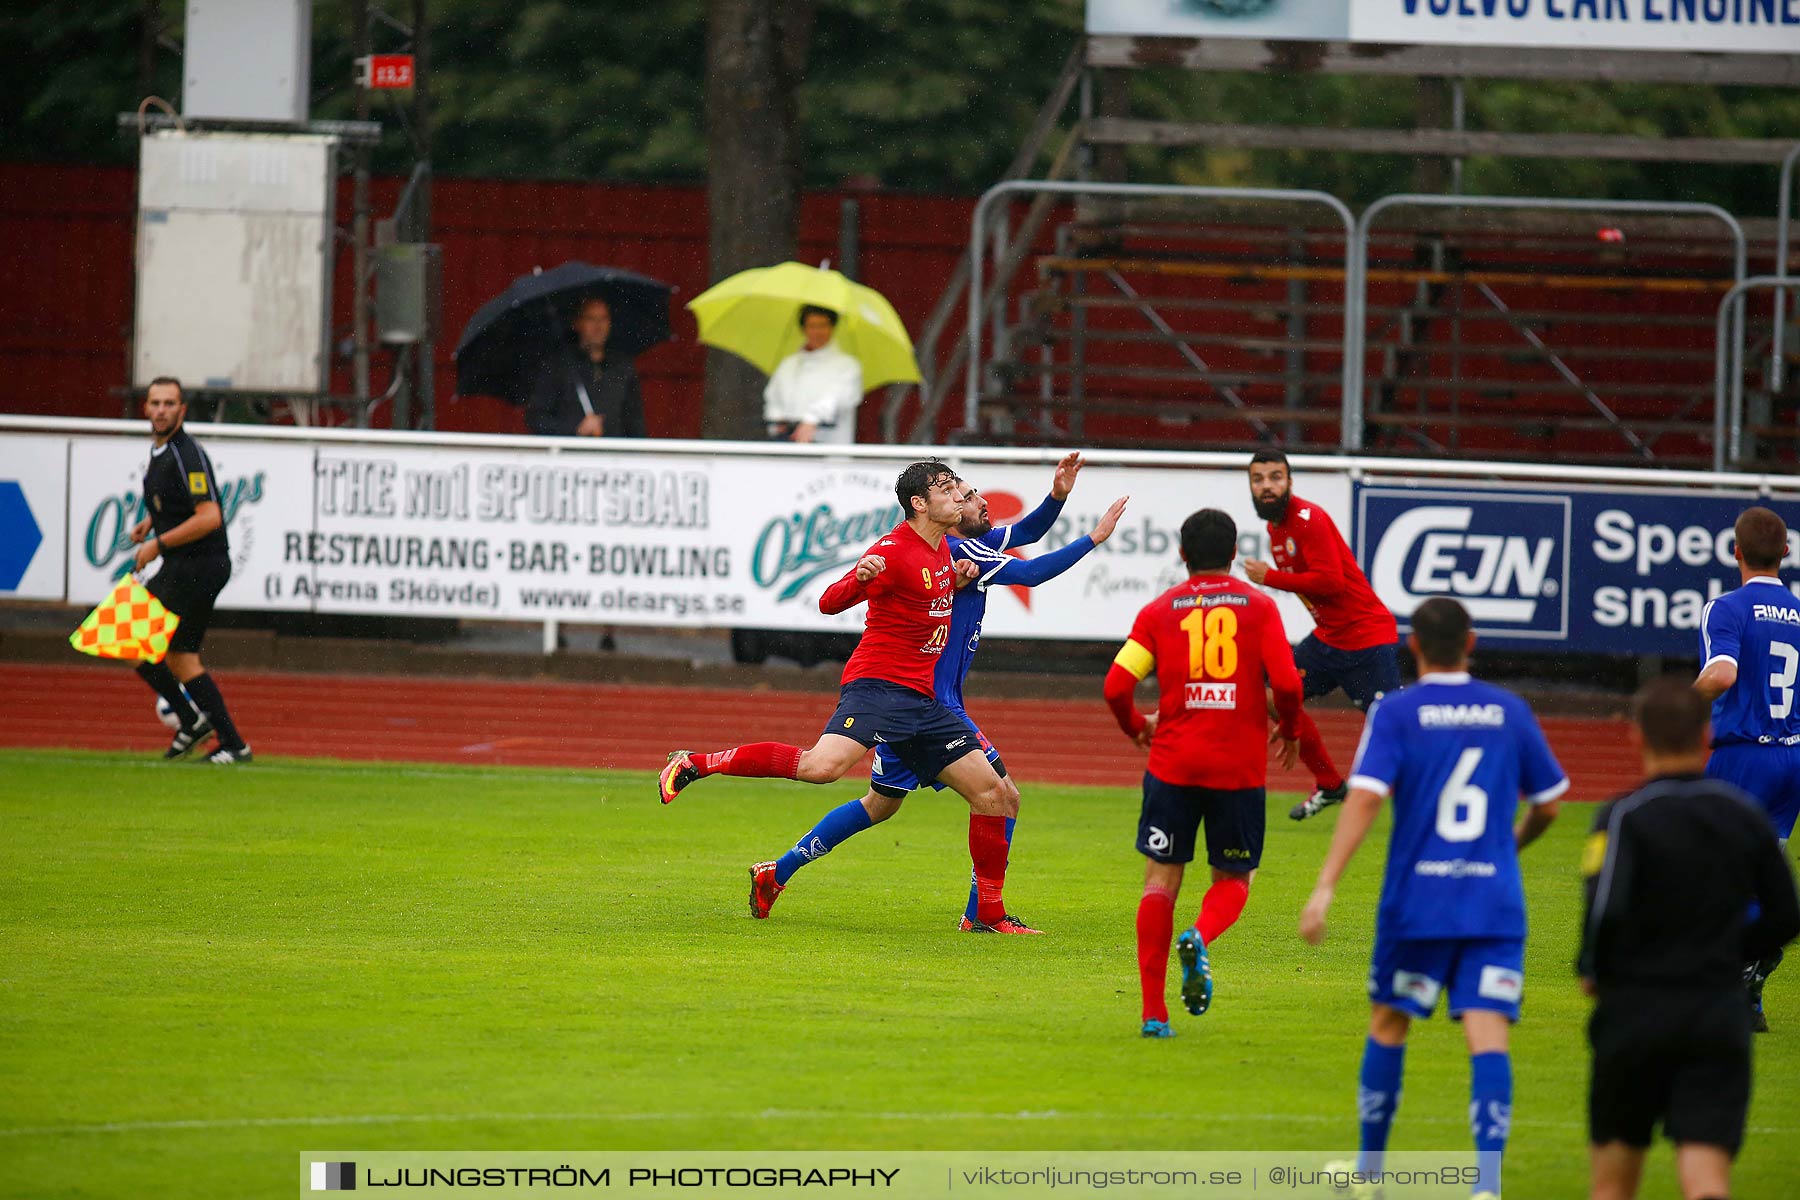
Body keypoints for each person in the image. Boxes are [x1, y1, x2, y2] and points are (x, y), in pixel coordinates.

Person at [747, 452, 1128, 930]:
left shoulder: (969, 546)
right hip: (930, 704)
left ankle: (777, 872)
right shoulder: (960, 552)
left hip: (927, 700)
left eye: (967, 492)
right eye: (963, 495)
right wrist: (1093, 538)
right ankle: (983, 913)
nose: (975, 500)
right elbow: (1031, 571)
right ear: (930, 506)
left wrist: (1057, 496)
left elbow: (1026, 534)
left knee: (880, 805)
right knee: (1000, 795)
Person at [658, 461, 1034, 933]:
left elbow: (929, 597)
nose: (959, 496)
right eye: (946, 489)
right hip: (877, 689)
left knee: (995, 794)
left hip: (922, 702)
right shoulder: (893, 551)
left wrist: (956, 579)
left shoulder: (942, 553)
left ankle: (987, 917)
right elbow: (828, 602)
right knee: (821, 769)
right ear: (919, 503)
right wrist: (859, 577)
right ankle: (695, 763)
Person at [1298, 597, 1567, 1200]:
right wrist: (1511, 844)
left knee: (1391, 1022)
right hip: (1492, 902)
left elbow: (1365, 797)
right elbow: (1549, 802)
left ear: (1413, 648)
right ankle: (1487, 1184)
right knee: (1487, 1032)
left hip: (1419, 903)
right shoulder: (1510, 710)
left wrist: (1325, 886)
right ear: (1470, 642)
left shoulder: (1396, 712)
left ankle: (1370, 1173)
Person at [1580, 676, 1799, 1200]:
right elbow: (1786, 913)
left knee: (1612, 1186)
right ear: (1706, 732)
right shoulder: (1743, 814)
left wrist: (1594, 970)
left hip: (1636, 1012)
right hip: (1716, 1014)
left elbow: (1605, 908)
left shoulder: (1622, 815)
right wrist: (1730, 953)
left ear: (1637, 737)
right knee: (1706, 1182)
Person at [1104, 508, 1305, 1038]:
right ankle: (1198, 934)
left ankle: (1153, 1013)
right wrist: (1290, 727)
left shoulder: (1159, 610)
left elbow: (1116, 688)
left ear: (1182, 554)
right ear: (1235, 553)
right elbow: (1286, 683)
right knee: (1235, 878)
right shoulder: (1260, 607)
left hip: (1172, 763)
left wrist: (1134, 728)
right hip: (1237, 768)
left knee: (1160, 881)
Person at [1240, 448, 1400, 821]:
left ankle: (1440, 795)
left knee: (1397, 728)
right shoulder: (1276, 528)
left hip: (1367, 639)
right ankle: (1330, 784)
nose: (1267, 486)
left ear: (1290, 482)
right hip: (1330, 639)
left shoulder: (1308, 519)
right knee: (1272, 693)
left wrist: (1270, 577)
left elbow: (1330, 582)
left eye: (1275, 477)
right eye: (1258, 479)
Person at [1693, 505, 1800, 1031]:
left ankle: (1728, 973)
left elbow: (1723, 671)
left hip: (1742, 756)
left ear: (1735, 551)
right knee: (1760, 870)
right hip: (1793, 758)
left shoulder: (1726, 608)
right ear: (1785, 552)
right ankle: (1750, 992)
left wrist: (1680, 702)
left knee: (1708, 869)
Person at [126, 376, 253, 765]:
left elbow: (210, 516)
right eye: (155, 403)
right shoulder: (162, 451)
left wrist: (157, 544)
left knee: (131, 637)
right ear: (146, 408)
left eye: (169, 404)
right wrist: (152, 522)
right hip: (193, 564)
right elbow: (177, 502)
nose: (161, 410)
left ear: (182, 411)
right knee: (181, 658)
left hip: (199, 564)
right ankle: (232, 743)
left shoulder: (186, 453)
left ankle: (191, 721)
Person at [524, 297, 647, 439]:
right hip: (569, 457)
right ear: (576, 323)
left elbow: (635, 422)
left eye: (604, 318)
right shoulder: (559, 365)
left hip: (613, 457)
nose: (598, 326)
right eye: (591, 319)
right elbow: (536, 417)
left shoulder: (623, 367)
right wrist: (575, 429)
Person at [762, 305, 863, 444]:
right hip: (787, 445)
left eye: (823, 325)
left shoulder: (847, 365)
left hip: (828, 448)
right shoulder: (788, 364)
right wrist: (778, 418)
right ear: (803, 328)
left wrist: (812, 420)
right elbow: (773, 397)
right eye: (812, 326)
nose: (817, 331)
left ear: (832, 327)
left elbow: (841, 398)